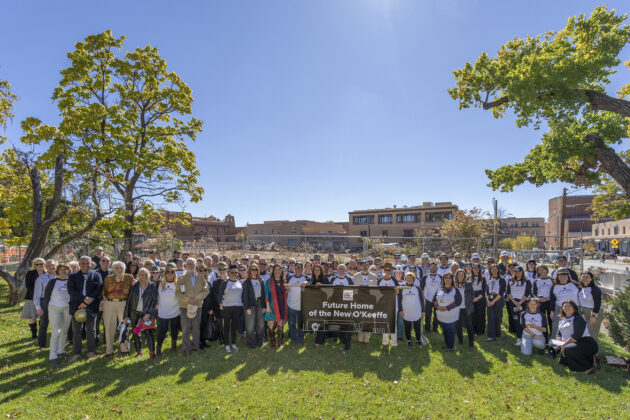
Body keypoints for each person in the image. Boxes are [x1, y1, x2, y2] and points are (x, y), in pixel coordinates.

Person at [68, 256, 103, 362]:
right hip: (76, 306)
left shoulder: (96, 275)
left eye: (87, 263)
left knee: (91, 330)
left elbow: (99, 289)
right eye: (83, 263)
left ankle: (90, 351)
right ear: (79, 264)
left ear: (91, 264)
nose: (85, 265)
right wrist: (83, 300)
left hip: (91, 306)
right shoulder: (73, 276)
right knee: (76, 330)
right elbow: (71, 290)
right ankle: (77, 353)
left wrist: (88, 301)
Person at [176, 258, 209, 356]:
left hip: (197, 306)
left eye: (193, 264)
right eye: (189, 264)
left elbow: (206, 290)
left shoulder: (201, 277)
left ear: (196, 266)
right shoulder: (181, 278)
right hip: (185, 306)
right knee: (185, 328)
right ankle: (186, 347)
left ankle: (195, 345)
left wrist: (197, 299)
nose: (191, 266)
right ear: (185, 266)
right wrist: (188, 300)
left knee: (196, 327)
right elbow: (178, 293)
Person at [555, 300, 598, 373]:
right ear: (562, 308)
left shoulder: (578, 318)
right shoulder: (562, 319)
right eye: (565, 306)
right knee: (563, 362)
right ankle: (590, 358)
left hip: (586, 343)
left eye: (569, 306)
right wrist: (559, 344)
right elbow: (558, 334)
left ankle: (587, 368)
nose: (567, 308)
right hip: (572, 343)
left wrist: (563, 346)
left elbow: (576, 336)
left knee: (568, 349)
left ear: (574, 308)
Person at [101, 261, 134, 357]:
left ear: (124, 269)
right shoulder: (108, 279)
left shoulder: (129, 278)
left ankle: (125, 349)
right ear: (113, 269)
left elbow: (134, 290)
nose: (119, 270)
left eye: (121, 268)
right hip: (110, 303)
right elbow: (104, 292)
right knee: (109, 327)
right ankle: (109, 350)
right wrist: (104, 301)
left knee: (124, 326)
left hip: (123, 304)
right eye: (117, 268)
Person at [42, 263, 72, 366]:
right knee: (56, 332)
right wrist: (46, 309)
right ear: (57, 271)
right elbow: (46, 297)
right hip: (54, 308)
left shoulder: (71, 282)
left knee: (64, 331)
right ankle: (53, 357)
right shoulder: (52, 282)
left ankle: (61, 351)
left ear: (69, 271)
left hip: (67, 309)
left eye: (66, 269)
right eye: (61, 269)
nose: (63, 271)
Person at [124, 267, 158, 359]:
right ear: (138, 276)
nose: (144, 276)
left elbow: (155, 302)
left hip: (146, 313)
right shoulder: (134, 287)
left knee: (148, 332)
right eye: (142, 275)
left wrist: (149, 314)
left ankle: (151, 352)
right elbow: (128, 302)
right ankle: (139, 351)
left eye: (146, 274)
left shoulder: (153, 286)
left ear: (149, 275)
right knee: (135, 332)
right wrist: (126, 316)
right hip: (134, 313)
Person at [218, 264, 244, 353]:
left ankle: (233, 343)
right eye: (232, 272)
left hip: (237, 307)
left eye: (235, 272)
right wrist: (220, 304)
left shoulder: (240, 283)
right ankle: (227, 344)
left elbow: (243, 295)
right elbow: (220, 295)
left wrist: (243, 303)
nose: (234, 274)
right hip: (227, 308)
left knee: (234, 326)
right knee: (226, 327)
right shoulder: (224, 283)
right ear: (229, 272)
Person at [433, 272, 462, 352]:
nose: (447, 279)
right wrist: (437, 306)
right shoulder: (439, 289)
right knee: (445, 331)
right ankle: (447, 344)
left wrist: (447, 307)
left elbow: (458, 301)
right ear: (443, 279)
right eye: (446, 278)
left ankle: (451, 347)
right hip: (441, 316)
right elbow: (434, 300)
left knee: (450, 331)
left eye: (449, 278)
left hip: (451, 316)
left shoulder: (455, 290)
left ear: (452, 279)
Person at [156, 263, 180, 356]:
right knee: (162, 331)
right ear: (165, 273)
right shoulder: (160, 283)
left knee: (174, 330)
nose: (170, 274)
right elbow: (157, 296)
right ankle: (158, 348)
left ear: (175, 273)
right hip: (163, 312)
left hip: (175, 311)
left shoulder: (178, 284)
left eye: (172, 272)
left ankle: (173, 346)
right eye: (168, 272)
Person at [549, 267, 580, 339]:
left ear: (568, 276)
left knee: (574, 327)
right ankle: (554, 346)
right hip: (559, 309)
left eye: (564, 275)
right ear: (557, 276)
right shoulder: (554, 286)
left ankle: (574, 344)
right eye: (560, 275)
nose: (562, 277)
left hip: (574, 309)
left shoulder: (575, 285)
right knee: (556, 327)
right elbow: (552, 300)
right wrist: (552, 311)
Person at [353, 260, 378, 345]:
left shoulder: (374, 277)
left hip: (370, 302)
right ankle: (360, 339)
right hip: (359, 302)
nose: (365, 267)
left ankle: (367, 339)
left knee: (369, 320)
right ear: (360, 266)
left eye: (367, 265)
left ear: (369, 266)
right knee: (360, 320)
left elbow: (375, 291)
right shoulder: (355, 276)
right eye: (363, 265)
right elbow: (354, 290)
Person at [506, 266, 532, 346]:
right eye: (515, 271)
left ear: (522, 272)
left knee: (523, 320)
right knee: (516, 320)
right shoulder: (511, 281)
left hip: (523, 303)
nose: (517, 273)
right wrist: (514, 302)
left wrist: (519, 303)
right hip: (513, 302)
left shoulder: (527, 282)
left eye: (519, 271)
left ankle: (525, 337)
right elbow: (508, 293)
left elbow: (526, 294)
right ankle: (518, 338)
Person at [34, 259, 57, 349]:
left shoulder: (60, 277)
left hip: (58, 301)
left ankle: (57, 343)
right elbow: (36, 295)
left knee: (58, 323)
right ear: (46, 267)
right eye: (49, 265)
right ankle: (41, 344)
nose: (52, 267)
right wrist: (38, 307)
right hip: (45, 302)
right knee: (44, 323)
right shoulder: (41, 278)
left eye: (53, 265)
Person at [22, 258, 46, 340]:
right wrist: (37, 295)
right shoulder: (30, 273)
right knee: (32, 316)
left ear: (44, 265)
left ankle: (41, 333)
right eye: (37, 264)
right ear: (34, 265)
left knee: (41, 316)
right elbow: (28, 286)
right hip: (31, 298)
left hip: (44, 298)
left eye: (41, 264)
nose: (39, 265)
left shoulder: (47, 273)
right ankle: (34, 334)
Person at [243, 264, 265, 348]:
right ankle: (251, 343)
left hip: (259, 303)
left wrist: (263, 306)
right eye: (252, 269)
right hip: (250, 304)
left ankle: (260, 342)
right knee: (250, 325)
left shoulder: (261, 281)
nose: (254, 271)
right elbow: (245, 296)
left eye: (256, 269)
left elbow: (263, 294)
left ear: (258, 271)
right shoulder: (246, 282)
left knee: (260, 325)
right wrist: (247, 307)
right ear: (249, 271)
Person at [265, 264, 288, 348]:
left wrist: (287, 290)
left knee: (280, 323)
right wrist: (267, 306)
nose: (277, 271)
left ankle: (279, 343)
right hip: (272, 305)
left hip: (281, 304)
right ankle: (272, 342)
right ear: (273, 271)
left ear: (281, 271)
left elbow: (284, 293)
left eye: (279, 269)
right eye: (276, 269)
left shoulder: (283, 281)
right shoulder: (269, 281)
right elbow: (266, 294)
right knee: (271, 323)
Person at [399, 272, 424, 347]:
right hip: (406, 311)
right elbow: (399, 300)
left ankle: (418, 339)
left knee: (417, 326)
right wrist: (400, 310)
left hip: (416, 310)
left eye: (411, 278)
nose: (409, 279)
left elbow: (421, 299)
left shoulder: (417, 288)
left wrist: (423, 310)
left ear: (413, 279)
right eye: (407, 278)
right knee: (407, 326)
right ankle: (409, 340)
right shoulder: (402, 288)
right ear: (405, 279)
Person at [286, 262, 308, 345]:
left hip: (302, 305)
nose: (299, 269)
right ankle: (293, 339)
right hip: (291, 305)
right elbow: (286, 289)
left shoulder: (305, 277)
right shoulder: (289, 278)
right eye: (298, 267)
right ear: (294, 268)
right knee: (291, 323)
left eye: (301, 268)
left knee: (301, 324)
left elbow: (309, 285)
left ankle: (301, 339)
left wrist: (306, 283)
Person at [578, 271, 603, 344]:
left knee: (592, 334)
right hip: (584, 312)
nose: (585, 279)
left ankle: (594, 354)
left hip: (595, 312)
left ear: (591, 278)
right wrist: (582, 313)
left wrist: (594, 316)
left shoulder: (595, 289)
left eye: (587, 277)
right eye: (583, 277)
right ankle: (586, 351)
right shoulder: (581, 288)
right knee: (584, 333)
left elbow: (598, 303)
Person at [379, 263, 398, 347]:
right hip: (383, 304)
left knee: (393, 323)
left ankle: (394, 342)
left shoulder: (394, 280)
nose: (387, 271)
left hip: (393, 304)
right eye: (385, 270)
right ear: (383, 270)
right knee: (384, 323)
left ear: (391, 271)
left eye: (389, 270)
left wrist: (396, 291)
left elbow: (398, 292)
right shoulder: (380, 280)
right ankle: (385, 341)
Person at [454, 269, 474, 348]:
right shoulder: (454, 285)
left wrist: (470, 301)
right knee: (458, 326)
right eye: (459, 275)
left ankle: (471, 342)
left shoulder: (468, 284)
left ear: (465, 276)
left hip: (466, 308)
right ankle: (460, 341)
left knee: (469, 325)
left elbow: (473, 294)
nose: (461, 277)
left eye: (462, 275)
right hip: (457, 308)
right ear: (456, 276)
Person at [486, 264, 506, 342]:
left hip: (498, 298)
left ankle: (497, 333)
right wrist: (488, 301)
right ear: (490, 270)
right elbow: (487, 291)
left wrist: (494, 301)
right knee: (490, 317)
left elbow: (501, 292)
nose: (494, 270)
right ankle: (491, 336)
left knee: (498, 317)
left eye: (495, 269)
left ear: (498, 270)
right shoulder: (489, 279)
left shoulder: (501, 279)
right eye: (492, 269)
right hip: (490, 298)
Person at [533, 265, 554, 336]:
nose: (541, 271)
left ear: (546, 270)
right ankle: (544, 337)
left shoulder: (552, 280)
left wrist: (548, 298)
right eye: (539, 270)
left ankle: (552, 336)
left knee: (551, 319)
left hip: (550, 302)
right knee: (542, 320)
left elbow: (554, 291)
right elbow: (534, 293)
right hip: (540, 303)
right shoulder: (536, 281)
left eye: (543, 269)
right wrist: (537, 298)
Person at [423, 262, 441, 334]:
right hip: (428, 298)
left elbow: (442, 287)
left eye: (434, 267)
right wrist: (423, 297)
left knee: (436, 314)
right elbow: (422, 288)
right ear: (429, 268)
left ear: (436, 268)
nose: (433, 268)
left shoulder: (440, 277)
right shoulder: (425, 277)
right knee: (428, 314)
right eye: (431, 267)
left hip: (437, 299)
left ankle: (435, 328)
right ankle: (427, 329)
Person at [470, 264, 487, 335]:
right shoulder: (469, 278)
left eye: (477, 268)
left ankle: (480, 331)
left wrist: (479, 297)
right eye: (474, 268)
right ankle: (474, 330)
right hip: (472, 297)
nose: (476, 269)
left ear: (480, 269)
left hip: (481, 297)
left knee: (480, 314)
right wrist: (472, 298)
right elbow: (468, 289)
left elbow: (484, 289)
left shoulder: (483, 278)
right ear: (472, 269)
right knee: (473, 315)